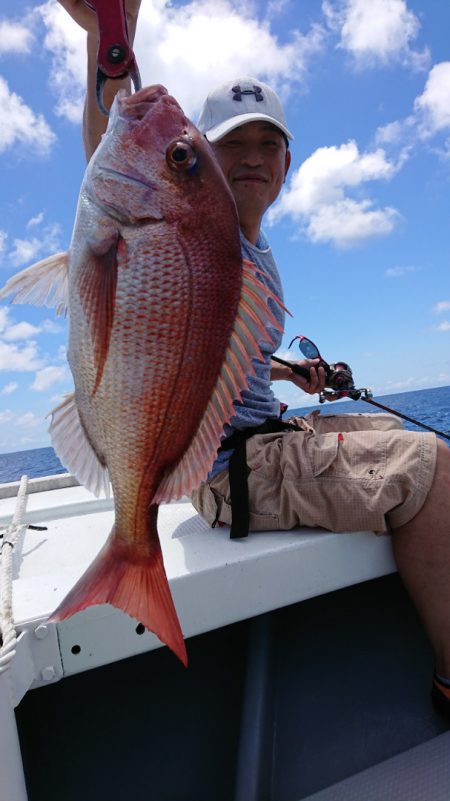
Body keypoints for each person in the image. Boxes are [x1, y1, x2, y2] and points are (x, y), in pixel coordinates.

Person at [59, 0, 450, 717]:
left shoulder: (259, 262)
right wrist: (109, 40)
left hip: (262, 438)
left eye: (267, 145)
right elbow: (113, 156)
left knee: (428, 446)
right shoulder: (188, 229)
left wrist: (288, 372)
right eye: (229, 144)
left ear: (288, 164)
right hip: (222, 470)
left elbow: (210, 353)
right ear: (201, 157)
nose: (250, 158)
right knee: (429, 471)